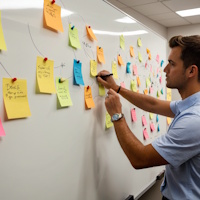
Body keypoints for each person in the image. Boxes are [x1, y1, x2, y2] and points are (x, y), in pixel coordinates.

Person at [96, 35, 200, 200]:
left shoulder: (195, 119)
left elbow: (140, 158)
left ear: (191, 71)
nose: (165, 69)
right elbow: (152, 104)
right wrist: (116, 88)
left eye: (172, 64)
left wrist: (117, 115)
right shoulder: (190, 105)